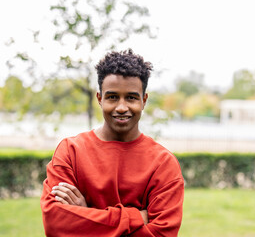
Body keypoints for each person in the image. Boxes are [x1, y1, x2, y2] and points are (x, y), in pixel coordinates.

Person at [40, 49, 184, 236]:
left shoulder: (163, 164)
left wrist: (86, 214)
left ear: (144, 100)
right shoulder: (70, 151)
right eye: (112, 97)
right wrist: (136, 218)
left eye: (131, 97)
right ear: (100, 99)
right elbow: (56, 224)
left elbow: (162, 234)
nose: (122, 107)